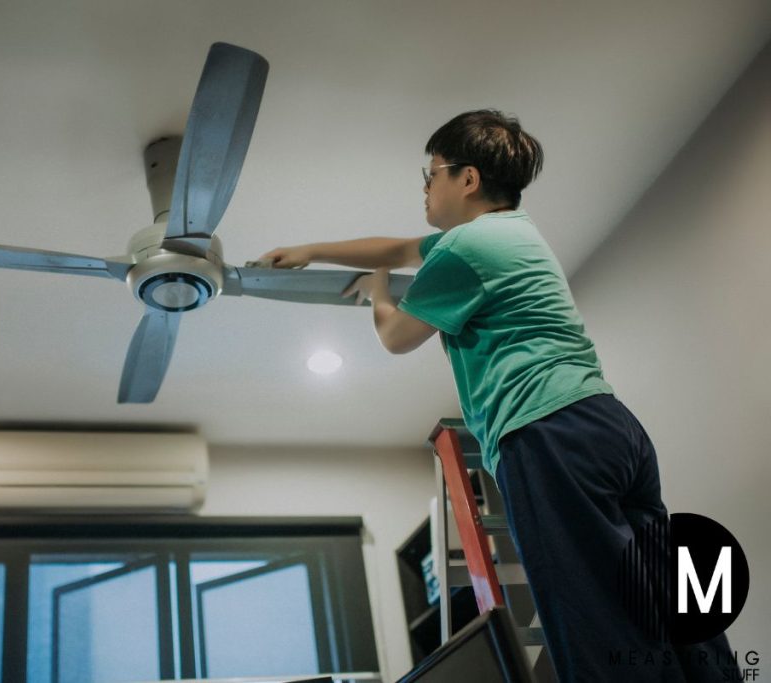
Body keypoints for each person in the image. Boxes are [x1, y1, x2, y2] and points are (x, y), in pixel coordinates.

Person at [259, 110, 739, 682]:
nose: (425, 186)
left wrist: (378, 289)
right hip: (610, 425)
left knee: (589, 609)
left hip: (545, 430)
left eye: (430, 173)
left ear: (466, 179)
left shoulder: (462, 249)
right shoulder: (512, 230)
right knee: (668, 597)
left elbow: (396, 336)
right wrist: (313, 248)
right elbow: (401, 245)